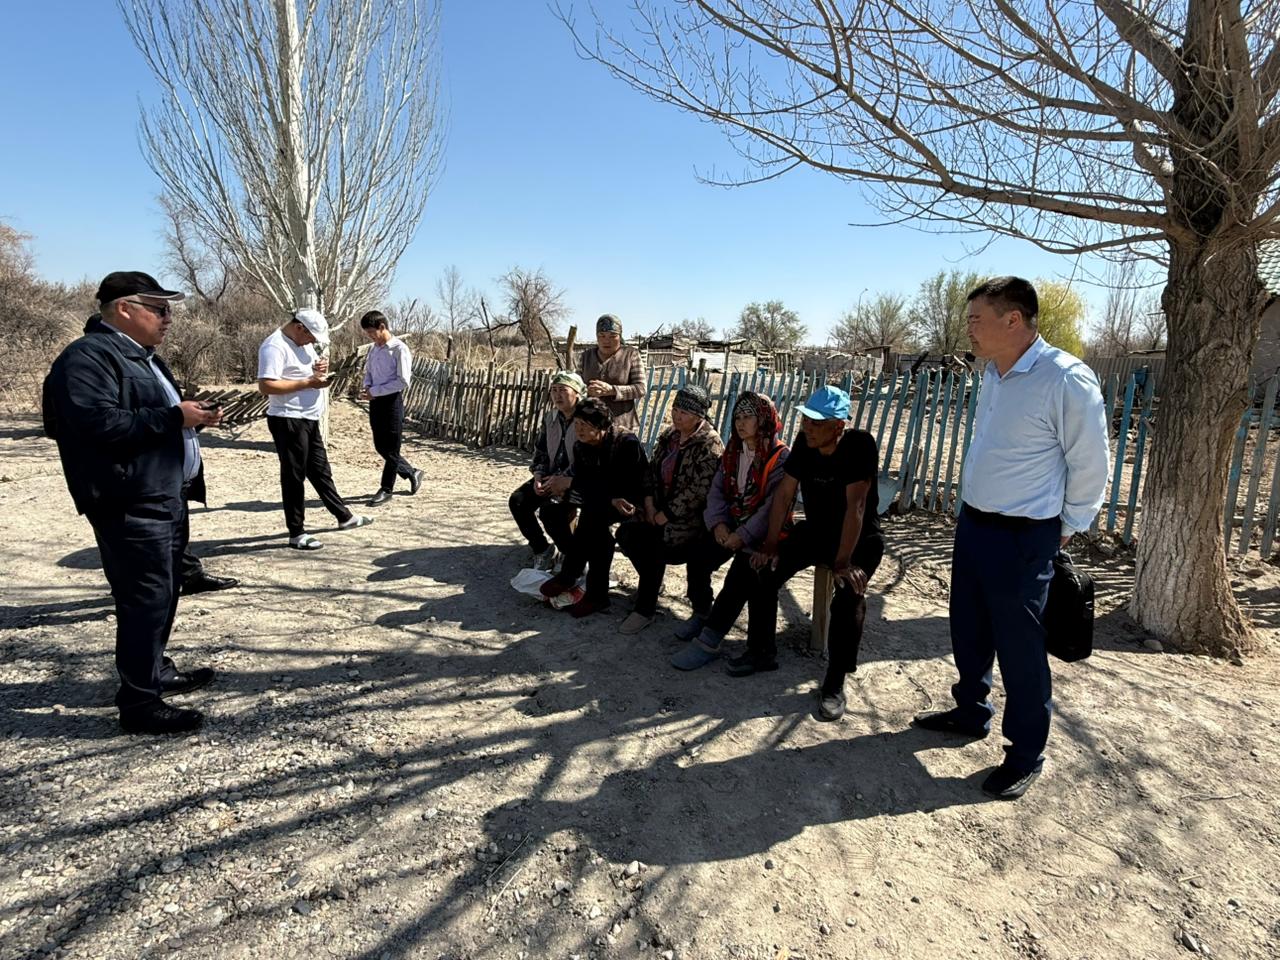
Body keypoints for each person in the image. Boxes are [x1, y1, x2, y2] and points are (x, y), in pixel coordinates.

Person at [913, 277, 1108, 801]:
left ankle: (1025, 754)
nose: (969, 330)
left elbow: (1091, 462)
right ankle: (970, 711)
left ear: (1013, 320)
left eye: (976, 320)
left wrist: (1065, 527)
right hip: (976, 524)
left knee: (1021, 648)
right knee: (968, 627)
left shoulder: (1065, 378)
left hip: (1025, 536)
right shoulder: (995, 374)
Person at [44, 271, 221, 734]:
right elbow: (95, 425)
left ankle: (155, 671)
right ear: (124, 308)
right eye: (159, 309)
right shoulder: (86, 358)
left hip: (164, 493)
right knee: (144, 598)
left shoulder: (142, 356)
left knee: (164, 591)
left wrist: (189, 417)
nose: (168, 318)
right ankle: (140, 703)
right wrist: (173, 417)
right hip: (128, 500)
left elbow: (151, 416)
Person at [681, 386, 883, 721]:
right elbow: (785, 495)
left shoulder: (859, 446)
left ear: (839, 426)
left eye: (817, 422)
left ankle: (834, 681)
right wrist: (770, 545)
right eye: (806, 420)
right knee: (759, 567)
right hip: (816, 531)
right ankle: (761, 650)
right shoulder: (805, 443)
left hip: (859, 539)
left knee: (849, 595)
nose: (808, 427)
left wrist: (842, 563)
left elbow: (856, 508)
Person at [669, 391, 790, 668]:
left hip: (766, 534)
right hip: (731, 523)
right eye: (737, 417)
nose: (741, 423)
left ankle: (709, 640)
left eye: (748, 417)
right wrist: (718, 524)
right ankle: (702, 613)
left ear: (764, 420)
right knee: (698, 556)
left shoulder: (780, 457)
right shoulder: (733, 452)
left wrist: (743, 536)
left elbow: (772, 507)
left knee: (742, 574)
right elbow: (717, 491)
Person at [257, 309, 372, 550]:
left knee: (320, 470)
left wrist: (318, 372)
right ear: (299, 327)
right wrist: (308, 382)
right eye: (311, 336)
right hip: (288, 419)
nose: (312, 342)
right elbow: (266, 386)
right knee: (294, 476)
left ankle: (343, 516)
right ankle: (296, 532)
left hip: (308, 418)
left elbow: (306, 374)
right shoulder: (274, 346)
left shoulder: (304, 345)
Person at [614, 383, 723, 634]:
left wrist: (668, 514)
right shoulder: (669, 436)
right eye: (675, 409)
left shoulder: (710, 443)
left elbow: (699, 490)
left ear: (698, 416)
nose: (676, 416)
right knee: (626, 534)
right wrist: (650, 504)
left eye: (684, 412)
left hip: (690, 520)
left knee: (655, 545)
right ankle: (650, 585)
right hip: (658, 509)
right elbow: (652, 471)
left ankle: (645, 608)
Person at [540, 398, 648, 617]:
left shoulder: (626, 442)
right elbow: (587, 481)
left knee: (593, 518)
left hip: (634, 499)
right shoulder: (581, 446)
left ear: (600, 426)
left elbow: (626, 485)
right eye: (576, 424)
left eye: (585, 425)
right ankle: (587, 587)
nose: (578, 430)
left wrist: (574, 483)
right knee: (591, 520)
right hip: (603, 497)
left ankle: (576, 578)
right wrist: (581, 486)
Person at [509, 371, 584, 570]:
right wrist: (538, 476)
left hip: (578, 480)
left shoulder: (586, 418)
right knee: (518, 501)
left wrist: (563, 480)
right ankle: (542, 549)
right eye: (554, 390)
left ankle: (571, 555)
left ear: (577, 393)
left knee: (550, 513)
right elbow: (541, 451)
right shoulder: (550, 418)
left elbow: (589, 459)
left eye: (563, 390)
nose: (557, 395)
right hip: (550, 476)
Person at [358, 310, 425, 506]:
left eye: (372, 332)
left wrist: (376, 391)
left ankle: (386, 488)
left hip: (392, 401)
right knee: (381, 446)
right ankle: (412, 472)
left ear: (382, 327)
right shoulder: (374, 349)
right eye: (367, 333)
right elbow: (369, 372)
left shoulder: (399, 349)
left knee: (393, 448)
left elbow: (403, 381)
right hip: (375, 401)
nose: (370, 336)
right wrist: (367, 386)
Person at [577, 314, 647, 433]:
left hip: (623, 425)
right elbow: (576, 387)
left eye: (613, 336)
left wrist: (612, 390)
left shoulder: (631, 355)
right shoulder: (585, 357)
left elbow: (641, 388)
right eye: (602, 335)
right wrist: (587, 391)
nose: (606, 340)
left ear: (620, 336)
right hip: (591, 426)